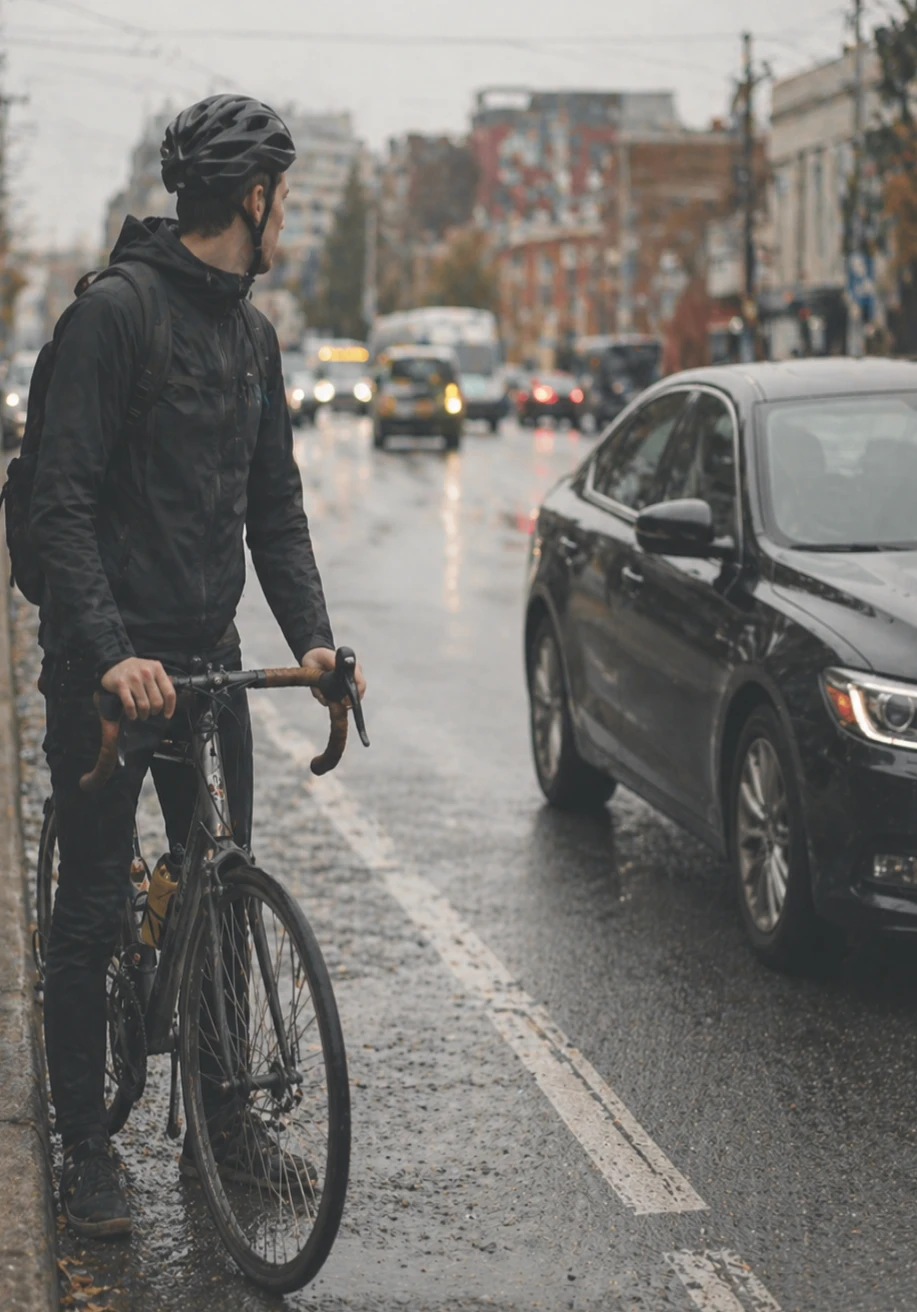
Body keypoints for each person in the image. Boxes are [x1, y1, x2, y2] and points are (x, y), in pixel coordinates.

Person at [30, 94, 365, 1239]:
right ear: (255, 199)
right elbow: (61, 502)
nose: (290, 218)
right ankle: (85, 1148)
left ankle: (224, 1121)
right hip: (107, 671)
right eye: (286, 198)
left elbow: (275, 510)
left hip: (210, 667)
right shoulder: (116, 318)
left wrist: (311, 642)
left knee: (219, 879)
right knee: (87, 911)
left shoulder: (254, 337)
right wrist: (111, 653)